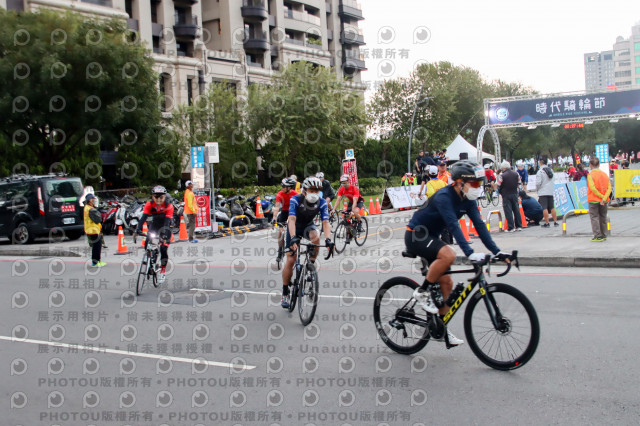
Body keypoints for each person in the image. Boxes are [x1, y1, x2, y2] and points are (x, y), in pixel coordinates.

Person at [406, 160, 508, 346]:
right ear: (460, 183)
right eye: (474, 183)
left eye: (480, 183)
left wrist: (497, 251)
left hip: (432, 237)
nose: (478, 187)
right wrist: (470, 253)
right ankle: (422, 292)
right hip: (416, 235)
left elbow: (480, 226)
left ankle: (441, 329)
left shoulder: (468, 200)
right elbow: (453, 225)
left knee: (447, 283)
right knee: (449, 254)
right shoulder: (444, 197)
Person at [281, 177, 334, 308]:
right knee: (291, 260)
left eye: (317, 191)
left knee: (316, 236)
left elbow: (325, 222)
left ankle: (310, 265)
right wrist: (293, 237)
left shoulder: (322, 202)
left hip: (307, 226)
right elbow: (291, 219)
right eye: (312, 190)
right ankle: (285, 292)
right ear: (304, 190)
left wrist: (328, 240)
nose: (314, 193)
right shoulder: (295, 199)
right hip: (294, 227)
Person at [136, 185, 174, 284]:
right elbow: (143, 218)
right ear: (152, 197)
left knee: (163, 249)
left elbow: (166, 223)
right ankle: (150, 259)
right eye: (156, 197)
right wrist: (137, 229)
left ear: (165, 197)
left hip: (165, 226)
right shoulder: (149, 204)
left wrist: (164, 236)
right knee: (147, 242)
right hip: (155, 225)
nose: (158, 199)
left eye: (161, 197)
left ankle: (162, 271)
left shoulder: (169, 206)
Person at [272, 177, 298, 263]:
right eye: (282, 185)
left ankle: (293, 247)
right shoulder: (279, 194)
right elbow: (277, 207)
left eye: (284, 186)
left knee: (292, 231)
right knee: (281, 232)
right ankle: (280, 252)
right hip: (284, 212)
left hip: (293, 213)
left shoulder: (295, 194)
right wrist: (274, 218)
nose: (282, 187)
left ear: (289, 187)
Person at [587, 157, 612, 242]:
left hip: (593, 200)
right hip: (604, 200)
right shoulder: (605, 174)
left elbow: (593, 188)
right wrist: (604, 198)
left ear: (591, 165)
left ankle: (597, 235)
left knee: (594, 217)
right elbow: (609, 188)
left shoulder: (590, 175)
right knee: (603, 217)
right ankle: (604, 234)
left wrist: (601, 197)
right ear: (599, 164)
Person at [496, 161, 522, 232]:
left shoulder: (502, 175)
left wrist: (499, 191)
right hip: (514, 193)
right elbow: (519, 183)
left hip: (506, 194)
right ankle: (519, 226)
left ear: (503, 168)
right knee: (516, 210)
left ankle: (511, 227)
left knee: (508, 211)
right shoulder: (516, 173)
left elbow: (498, 185)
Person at [84, 193, 106, 267]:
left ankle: (97, 260)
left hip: (93, 229)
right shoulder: (90, 209)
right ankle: (95, 262)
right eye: (92, 199)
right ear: (89, 200)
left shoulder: (88, 207)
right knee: (96, 246)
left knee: (97, 245)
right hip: (93, 230)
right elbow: (98, 219)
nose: (93, 200)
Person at [535, 158, 559, 227]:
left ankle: (547, 223)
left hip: (543, 191)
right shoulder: (551, 170)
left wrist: (538, 189)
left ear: (541, 162)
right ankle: (555, 222)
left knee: (544, 208)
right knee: (552, 207)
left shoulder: (540, 171)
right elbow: (554, 179)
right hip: (550, 190)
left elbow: (538, 183)